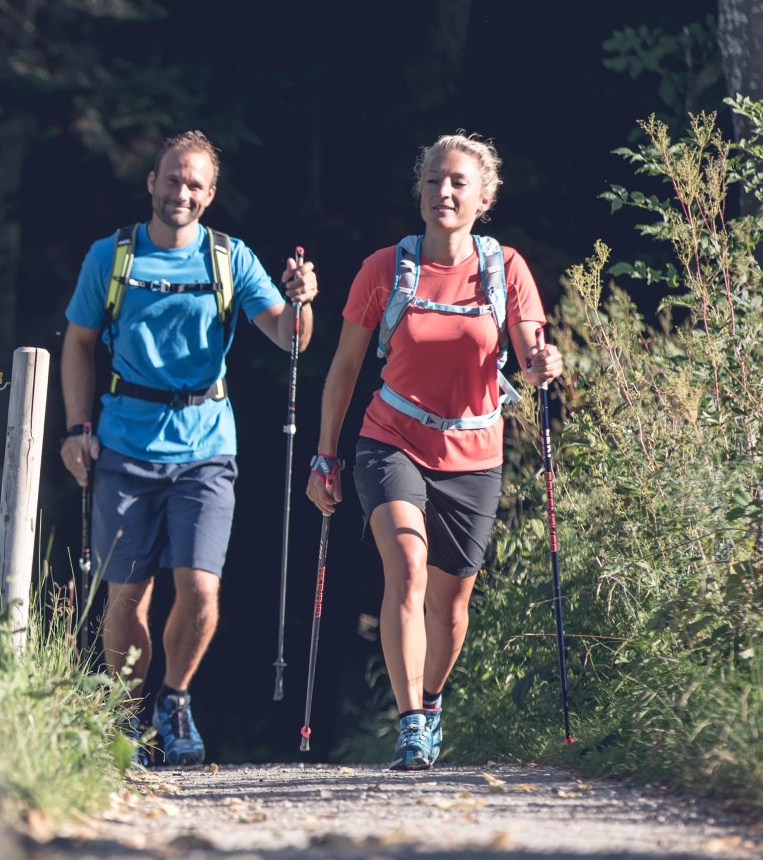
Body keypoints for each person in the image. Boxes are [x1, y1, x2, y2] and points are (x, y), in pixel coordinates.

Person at [304, 133, 564, 771]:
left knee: (450, 605)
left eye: (457, 183)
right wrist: (324, 455)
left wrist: (544, 364)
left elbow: (531, 355)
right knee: (407, 569)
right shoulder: (385, 269)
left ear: (484, 198)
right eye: (432, 181)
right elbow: (343, 368)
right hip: (391, 438)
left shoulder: (506, 270)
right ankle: (412, 725)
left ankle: (431, 698)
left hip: (475, 450)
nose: (443, 192)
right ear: (418, 190)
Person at [59, 130, 316, 766]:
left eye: (195, 183)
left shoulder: (229, 258)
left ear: (211, 194)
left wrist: (302, 301)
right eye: (172, 178)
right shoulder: (112, 257)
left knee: (200, 586)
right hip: (123, 445)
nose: (182, 192)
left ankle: (175, 701)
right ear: (152, 181)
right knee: (127, 595)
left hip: (206, 446)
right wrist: (76, 429)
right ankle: (124, 717)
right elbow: (78, 343)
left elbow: (289, 338)